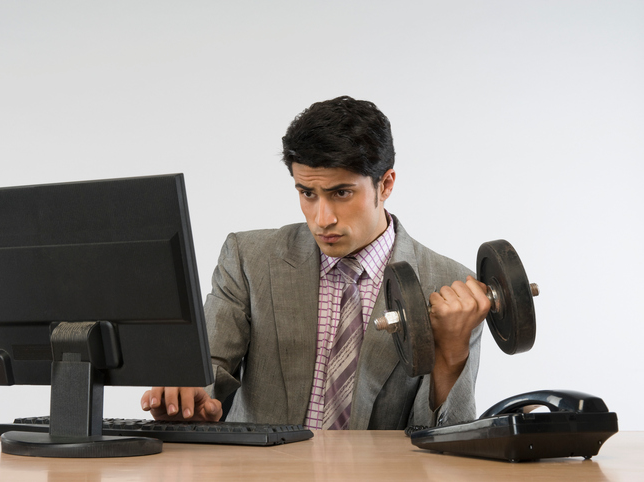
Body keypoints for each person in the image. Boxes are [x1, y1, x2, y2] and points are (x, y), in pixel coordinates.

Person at [141, 96, 489, 430]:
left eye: (341, 193)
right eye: (307, 193)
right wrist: (192, 395)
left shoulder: (453, 288)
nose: (322, 219)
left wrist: (452, 354)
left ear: (385, 184)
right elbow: (209, 366)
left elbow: (445, 440)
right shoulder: (249, 259)